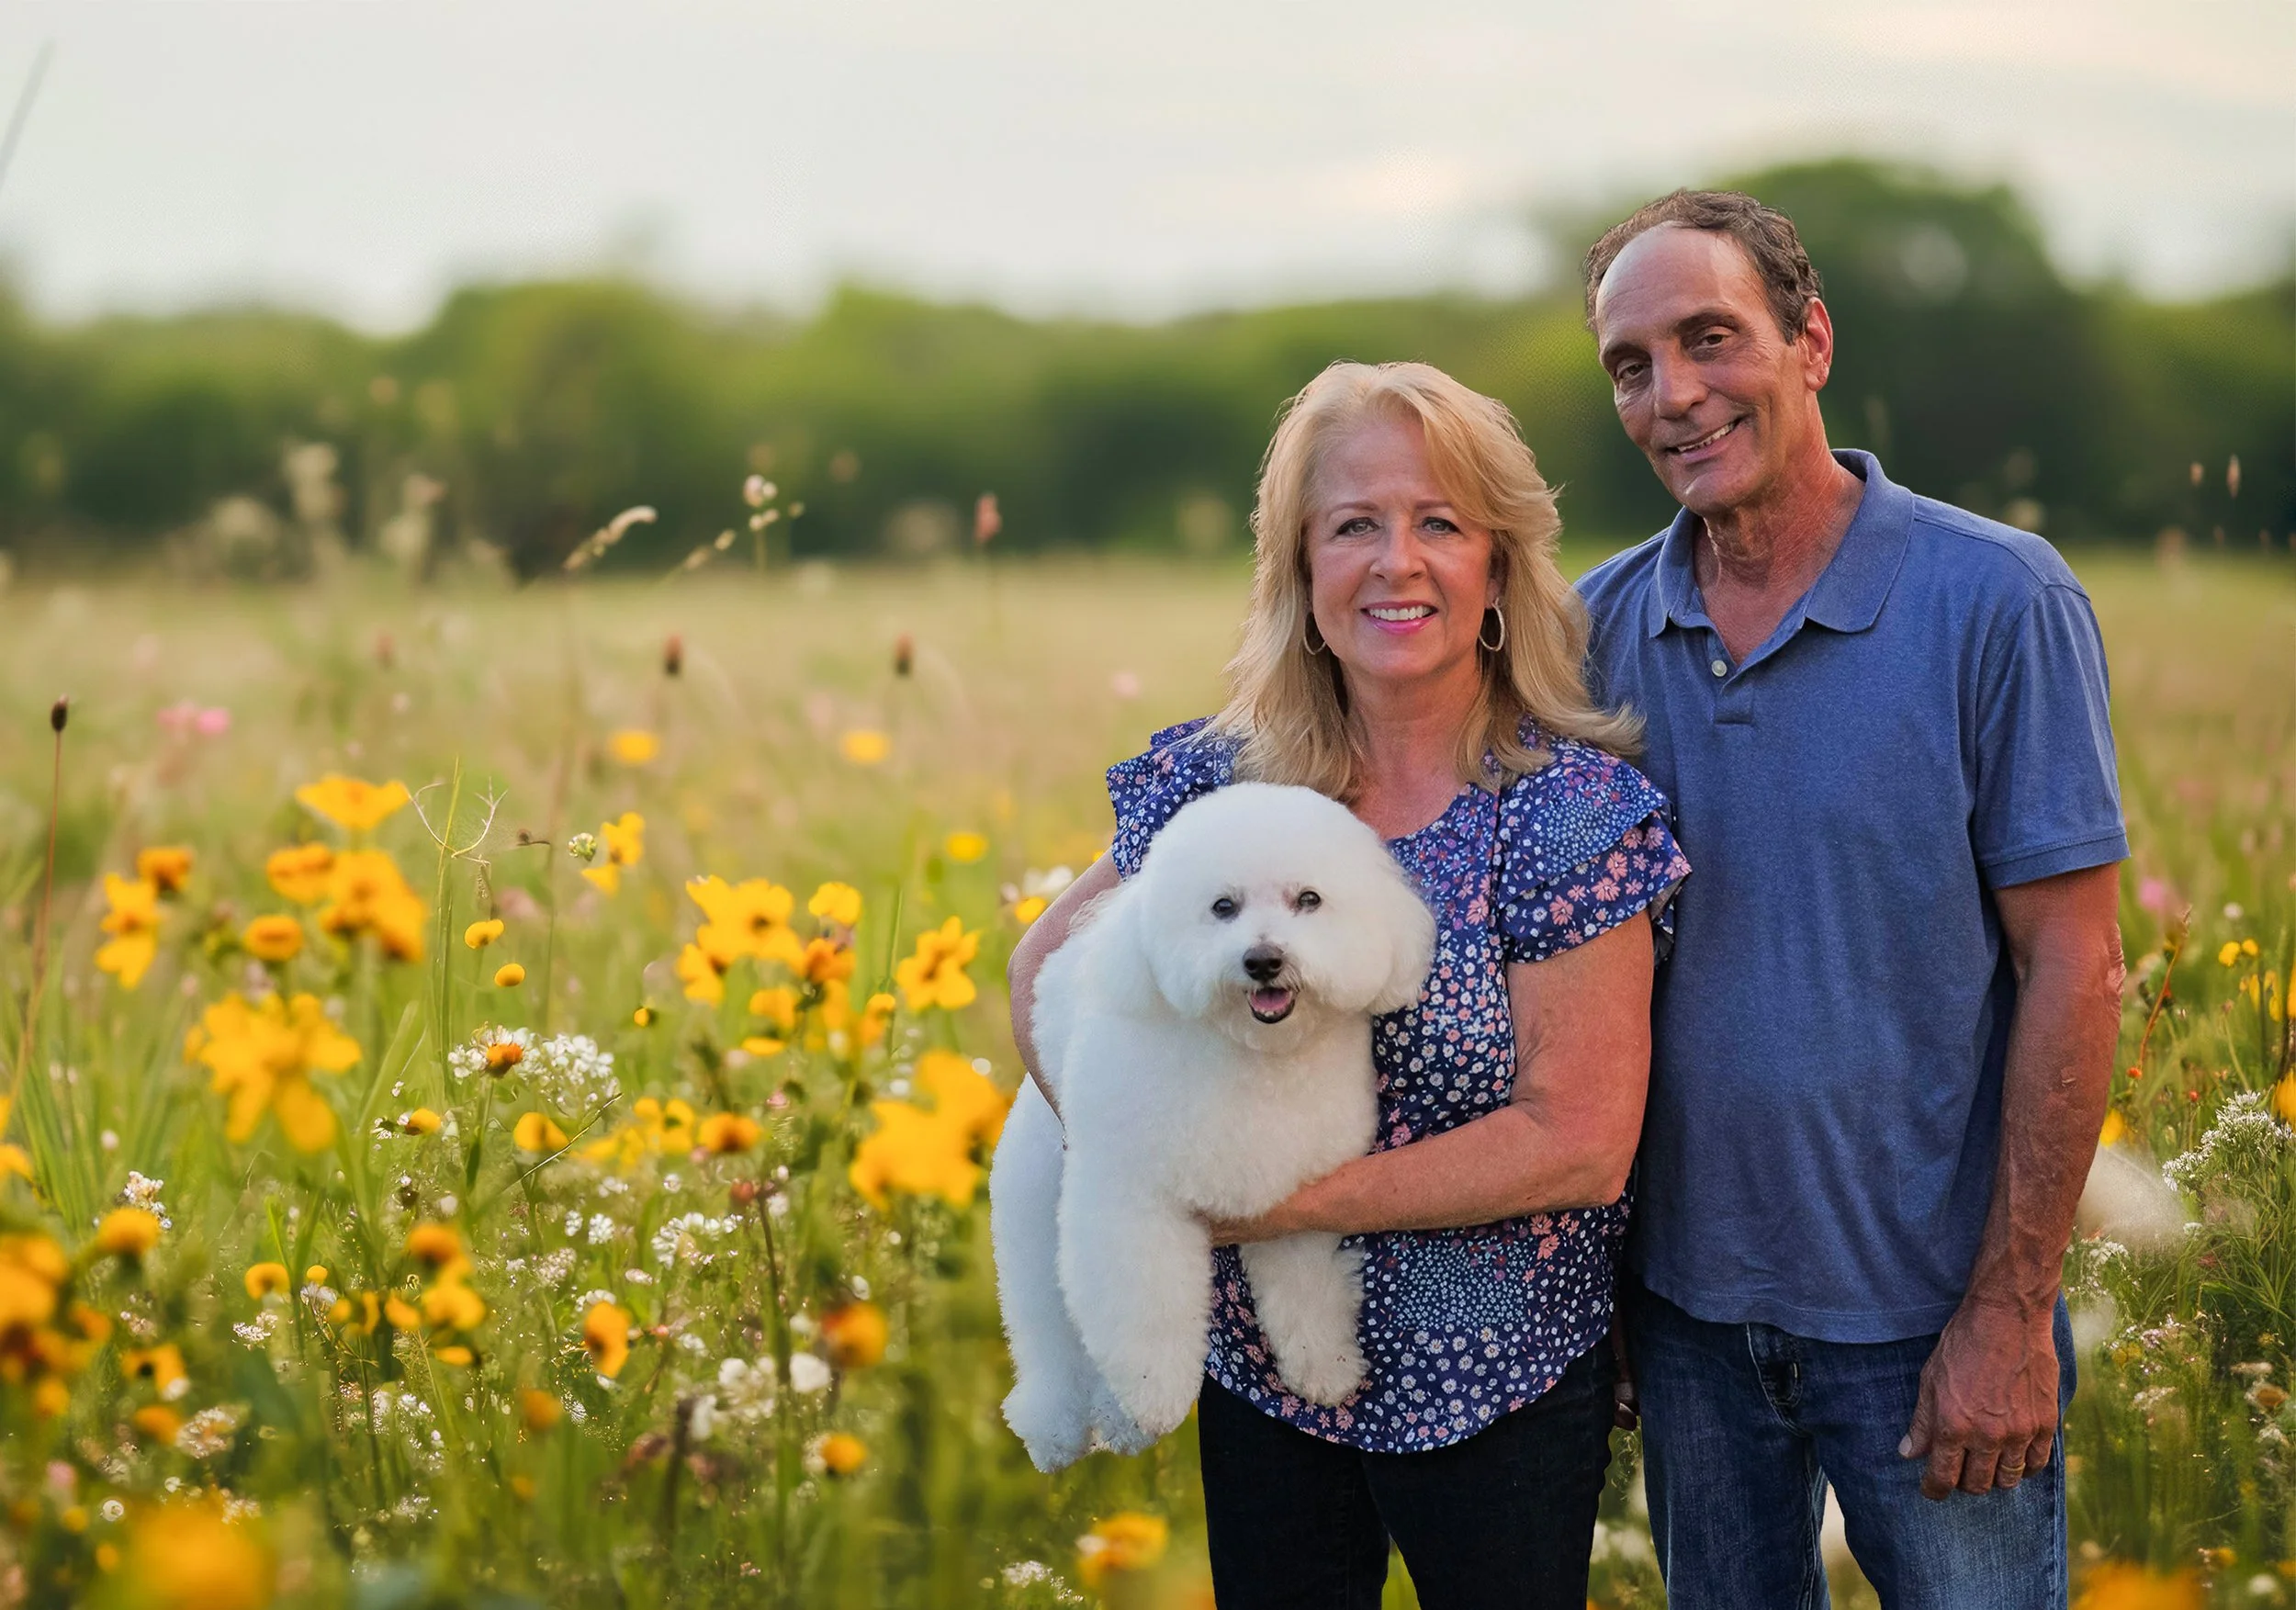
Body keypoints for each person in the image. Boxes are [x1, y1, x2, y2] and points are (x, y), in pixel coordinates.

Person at [1007, 360, 1688, 1609]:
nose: (1397, 561)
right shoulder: (1221, 785)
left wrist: (1259, 1206)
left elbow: (1579, 1144)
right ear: (1301, 568)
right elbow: (1046, 967)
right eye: (1353, 526)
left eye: (1439, 523)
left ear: (1497, 566)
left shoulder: (1563, 814)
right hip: (1261, 1371)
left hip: (1499, 1379)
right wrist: (1143, 1173)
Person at [1576, 189, 2127, 1608]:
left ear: (1811, 339)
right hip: (1688, 1322)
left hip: (1935, 1320)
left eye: (1712, 339)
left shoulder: (1997, 599)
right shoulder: (1593, 632)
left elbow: (2075, 965)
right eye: (1633, 365)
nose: (1674, 395)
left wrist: (2008, 1313)